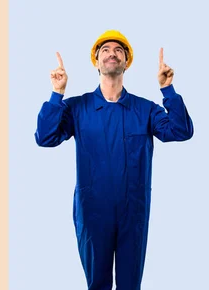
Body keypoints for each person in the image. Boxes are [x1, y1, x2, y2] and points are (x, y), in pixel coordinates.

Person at [35, 30, 194, 290]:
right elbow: (45, 137)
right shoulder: (78, 108)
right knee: (97, 284)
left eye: (118, 50)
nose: (112, 53)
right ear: (96, 62)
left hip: (134, 211)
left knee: (130, 285)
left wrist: (168, 90)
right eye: (105, 49)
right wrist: (57, 94)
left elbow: (181, 130)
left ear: (126, 62)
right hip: (93, 210)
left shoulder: (146, 109)